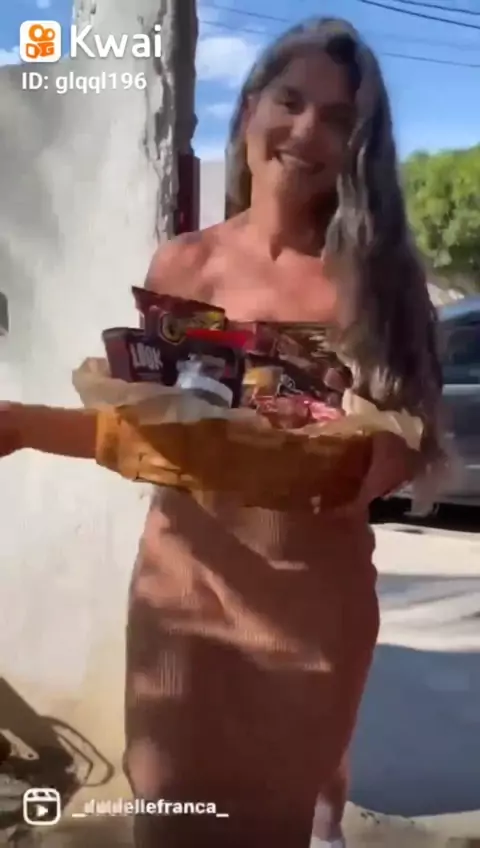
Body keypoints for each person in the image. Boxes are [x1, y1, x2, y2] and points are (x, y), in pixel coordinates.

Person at [0, 17, 445, 848]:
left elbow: (405, 449)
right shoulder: (182, 265)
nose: (306, 131)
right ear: (249, 109)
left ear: (358, 146)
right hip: (181, 597)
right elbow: (146, 437)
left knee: (271, 828)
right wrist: (22, 425)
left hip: (307, 615)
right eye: (290, 101)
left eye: (337, 119)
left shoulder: (380, 283)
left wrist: (353, 446)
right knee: (165, 816)